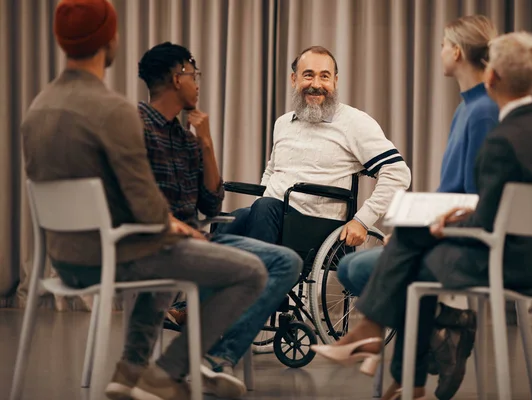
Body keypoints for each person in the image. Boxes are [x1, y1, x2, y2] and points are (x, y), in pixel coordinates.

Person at [21, 1, 267, 400]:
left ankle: (129, 371)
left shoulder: (37, 108)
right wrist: (178, 229)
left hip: (64, 258)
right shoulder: (115, 110)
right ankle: (167, 372)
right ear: (108, 39)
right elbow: (146, 204)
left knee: (166, 244)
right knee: (250, 271)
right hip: (111, 257)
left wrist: (173, 225)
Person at [312, 31, 532, 400]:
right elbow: (507, 206)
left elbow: (488, 223)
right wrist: (452, 220)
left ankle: (381, 347)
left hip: (502, 262)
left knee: (411, 248)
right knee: (413, 244)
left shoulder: (501, 138)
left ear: (491, 77)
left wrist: (443, 224)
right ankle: (403, 376)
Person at [335, 15, 499, 399]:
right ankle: (440, 334)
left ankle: (411, 369)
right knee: (354, 267)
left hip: (467, 244)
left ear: (457, 52)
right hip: (449, 233)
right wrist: (413, 228)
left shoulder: (483, 112)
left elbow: (474, 200)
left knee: (356, 267)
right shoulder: (469, 109)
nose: (440, 51)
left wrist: (418, 234)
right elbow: (451, 193)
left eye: (443, 44)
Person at [136, 42, 303, 398]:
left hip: (196, 239)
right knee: (246, 268)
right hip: (156, 241)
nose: (198, 83)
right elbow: (128, 193)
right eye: (193, 75)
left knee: (287, 261)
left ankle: (216, 355)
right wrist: (170, 224)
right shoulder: (135, 126)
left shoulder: (185, 139)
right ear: (174, 78)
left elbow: (212, 203)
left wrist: (207, 143)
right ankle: (204, 358)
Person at [214, 45, 411, 247]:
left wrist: (363, 220)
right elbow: (273, 170)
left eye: (324, 77)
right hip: (268, 214)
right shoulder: (283, 123)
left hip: (315, 225)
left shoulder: (355, 123)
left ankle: (258, 275)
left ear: (335, 81)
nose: (316, 84)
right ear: (294, 79)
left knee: (264, 209)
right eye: (308, 75)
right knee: (229, 223)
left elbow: (397, 173)